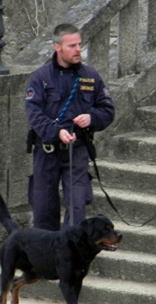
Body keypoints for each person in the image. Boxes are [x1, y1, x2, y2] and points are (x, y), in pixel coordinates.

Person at [25, 23, 115, 231]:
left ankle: (71, 260)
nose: (78, 50)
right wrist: (56, 132)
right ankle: (47, 261)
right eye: (72, 46)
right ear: (57, 47)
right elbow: (34, 114)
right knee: (44, 211)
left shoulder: (90, 77)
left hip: (78, 151)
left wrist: (91, 118)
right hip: (47, 152)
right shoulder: (40, 78)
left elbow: (108, 110)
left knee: (77, 211)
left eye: (79, 45)